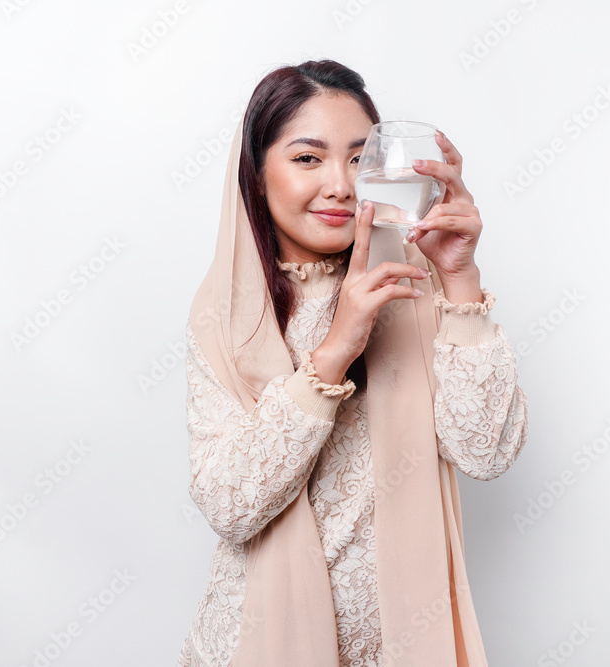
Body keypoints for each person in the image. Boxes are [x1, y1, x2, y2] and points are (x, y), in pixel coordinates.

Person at [178, 59, 529, 667]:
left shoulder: (412, 282)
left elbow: (486, 453)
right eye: (307, 158)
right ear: (256, 176)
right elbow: (229, 506)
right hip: (259, 641)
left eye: (361, 159)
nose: (341, 185)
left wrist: (459, 279)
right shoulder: (224, 317)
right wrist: (334, 352)